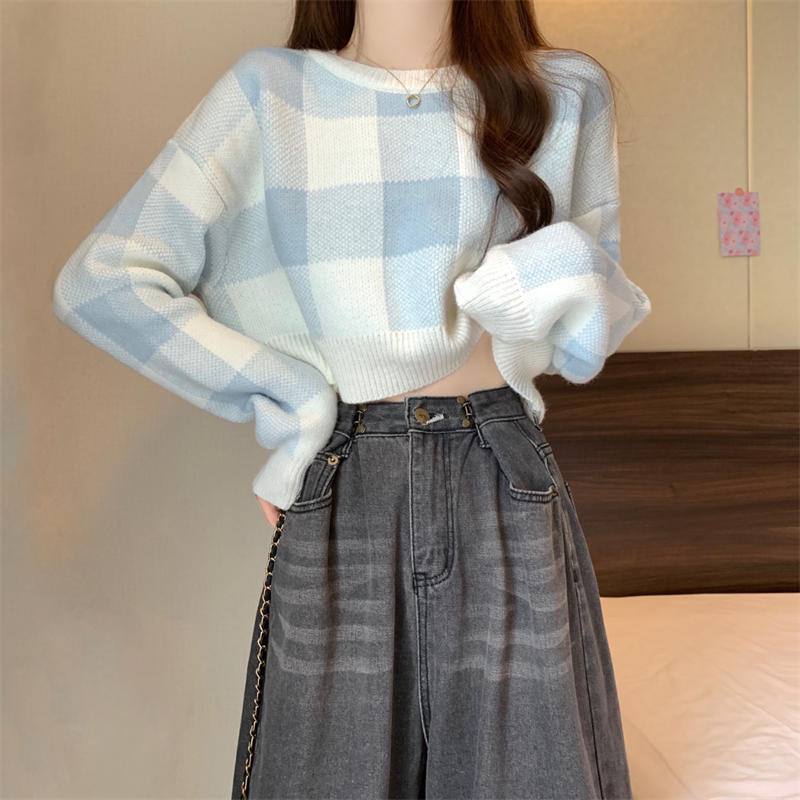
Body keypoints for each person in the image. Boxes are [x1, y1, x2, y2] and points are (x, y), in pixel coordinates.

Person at [52, 0, 652, 797]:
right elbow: (103, 281)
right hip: (348, 481)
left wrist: (519, 280)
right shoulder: (271, 94)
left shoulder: (565, 93)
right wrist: (294, 401)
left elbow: (592, 327)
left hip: (502, 478)